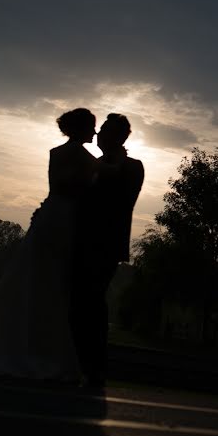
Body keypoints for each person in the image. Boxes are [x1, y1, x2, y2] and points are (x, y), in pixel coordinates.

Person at [0, 109, 99, 381]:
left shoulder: (56, 152)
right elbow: (75, 189)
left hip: (50, 213)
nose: (95, 133)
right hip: (65, 219)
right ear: (82, 128)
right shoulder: (85, 159)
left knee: (31, 278)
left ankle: (17, 342)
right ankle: (39, 349)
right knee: (51, 282)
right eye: (92, 127)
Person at [69, 113, 144, 388]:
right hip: (82, 242)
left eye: (103, 131)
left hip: (105, 246)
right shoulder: (95, 163)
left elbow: (117, 199)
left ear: (116, 137)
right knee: (79, 304)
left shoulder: (133, 167)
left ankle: (94, 367)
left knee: (92, 303)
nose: (98, 134)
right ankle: (80, 363)